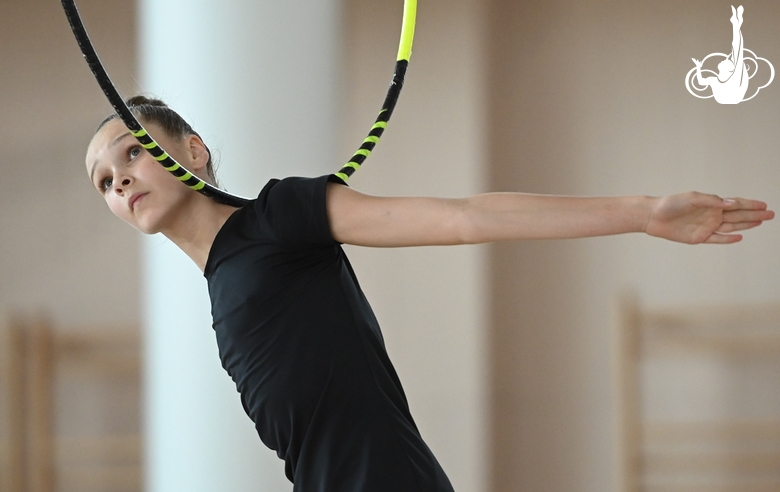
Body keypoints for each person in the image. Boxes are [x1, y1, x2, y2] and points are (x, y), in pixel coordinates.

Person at [85, 96, 773, 491]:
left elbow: (463, 217)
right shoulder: (220, 283)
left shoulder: (278, 218)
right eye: (106, 182)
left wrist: (643, 210)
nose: (122, 180)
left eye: (132, 151)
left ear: (193, 151)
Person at [692, 5, 749, 104]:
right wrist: (698, 67)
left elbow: (737, 49)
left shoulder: (732, 77)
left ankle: (736, 24)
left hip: (732, 96)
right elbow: (701, 82)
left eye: (727, 61)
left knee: (737, 51)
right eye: (728, 61)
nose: (724, 59)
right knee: (737, 51)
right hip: (729, 97)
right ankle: (736, 24)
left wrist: (698, 67)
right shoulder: (715, 80)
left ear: (729, 69)